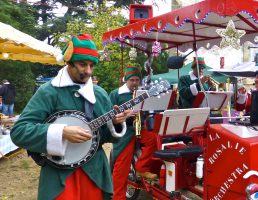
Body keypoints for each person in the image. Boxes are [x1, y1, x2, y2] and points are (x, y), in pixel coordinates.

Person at [10, 34, 131, 200]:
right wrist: (62, 132)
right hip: (60, 175)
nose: (88, 71)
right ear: (68, 62)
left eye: (91, 65)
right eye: (82, 64)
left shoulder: (100, 94)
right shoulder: (49, 91)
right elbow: (20, 131)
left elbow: (105, 137)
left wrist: (115, 123)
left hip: (94, 172)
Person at [109, 66, 158, 200]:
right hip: (123, 131)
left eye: (137, 80)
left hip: (139, 127)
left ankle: (141, 168)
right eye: (132, 80)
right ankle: (118, 197)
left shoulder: (142, 93)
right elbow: (108, 114)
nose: (135, 83)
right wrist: (122, 115)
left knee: (153, 138)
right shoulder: (116, 94)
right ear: (126, 80)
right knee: (121, 168)